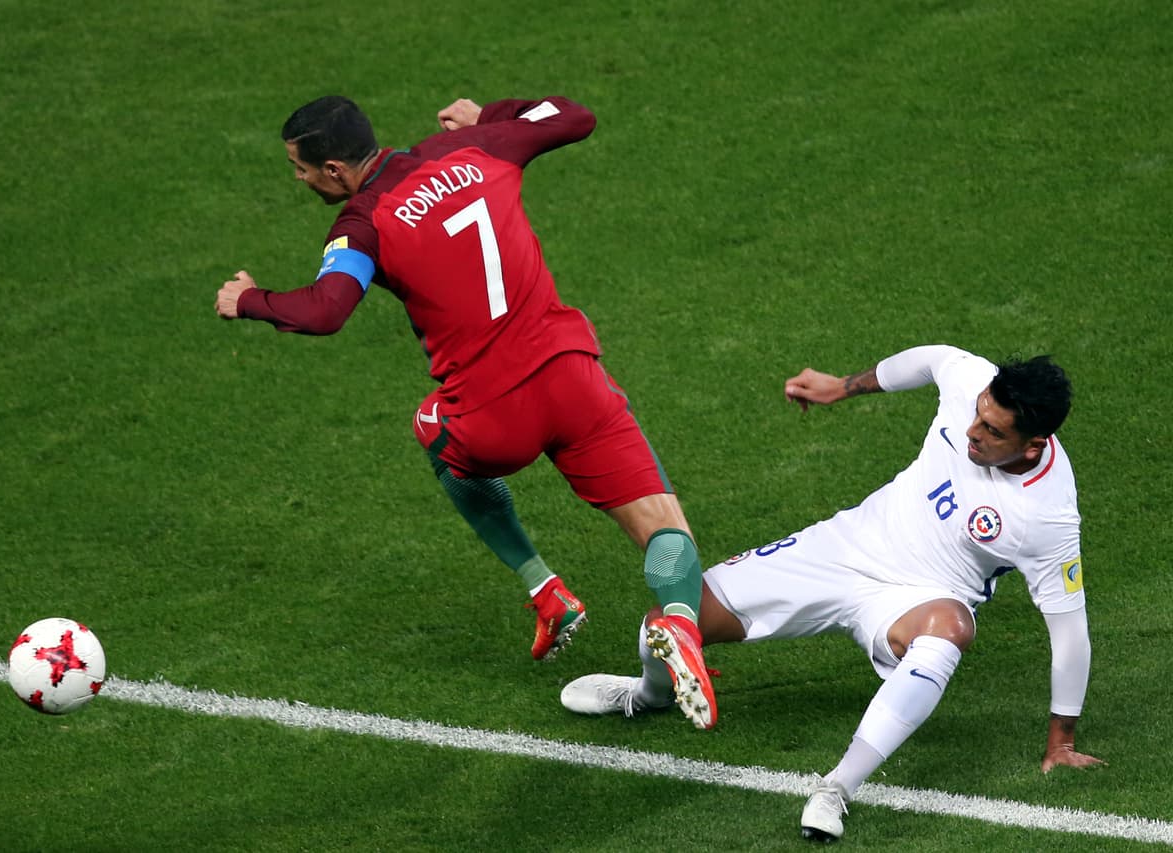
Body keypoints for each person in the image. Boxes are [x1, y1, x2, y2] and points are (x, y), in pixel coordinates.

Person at [214, 94, 716, 725]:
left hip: (492, 417)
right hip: (572, 377)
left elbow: (325, 309)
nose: (300, 178)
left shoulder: (361, 220)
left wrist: (250, 298)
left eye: (302, 168)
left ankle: (544, 587)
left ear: (337, 171)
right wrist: (496, 114)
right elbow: (574, 116)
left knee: (431, 425)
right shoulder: (478, 145)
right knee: (663, 525)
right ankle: (680, 624)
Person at [560, 344, 1104, 840]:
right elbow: (933, 358)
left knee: (952, 630)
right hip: (843, 547)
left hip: (918, 599)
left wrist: (1062, 740)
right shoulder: (971, 384)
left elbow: (1069, 630)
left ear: (1033, 445)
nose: (972, 433)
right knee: (670, 617)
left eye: (992, 433)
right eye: (977, 416)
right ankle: (649, 694)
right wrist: (841, 386)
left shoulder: (1047, 517)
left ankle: (837, 787)